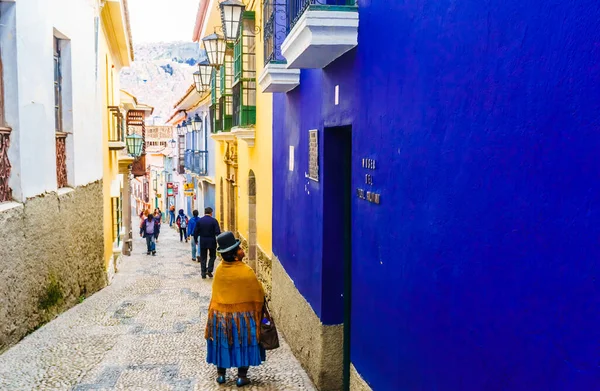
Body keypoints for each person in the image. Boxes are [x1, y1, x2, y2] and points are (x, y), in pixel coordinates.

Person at [206, 231, 266, 387]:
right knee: (243, 342)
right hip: (242, 317)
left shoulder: (219, 270)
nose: (242, 250)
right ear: (234, 254)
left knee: (222, 343)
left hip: (220, 316)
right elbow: (258, 293)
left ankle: (221, 375)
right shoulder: (246, 272)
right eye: (239, 248)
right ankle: (241, 376)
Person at [193, 207, 221, 278]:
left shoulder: (200, 221)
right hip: (212, 241)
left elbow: (195, 232)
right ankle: (209, 270)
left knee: (203, 257)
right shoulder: (214, 221)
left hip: (203, 241)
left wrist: (196, 240)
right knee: (213, 256)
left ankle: (203, 272)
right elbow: (217, 232)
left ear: (205, 212)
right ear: (211, 213)